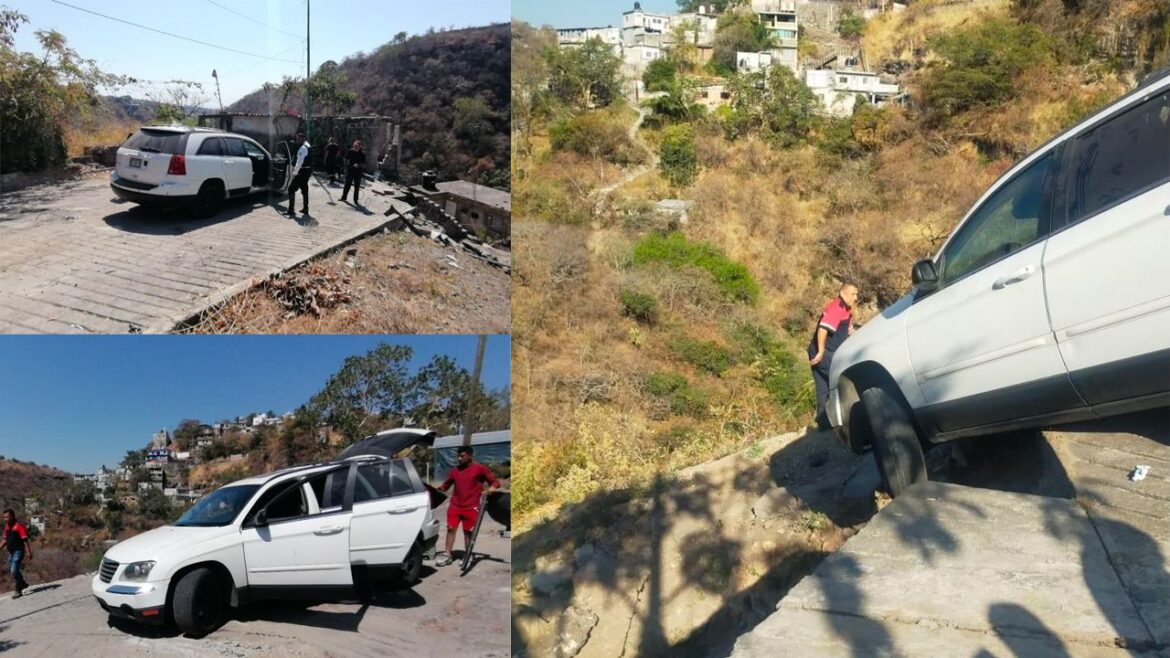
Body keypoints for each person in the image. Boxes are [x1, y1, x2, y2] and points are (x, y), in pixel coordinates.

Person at [434, 446, 500, 567]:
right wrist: (433, 491)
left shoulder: (480, 469)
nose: (459, 459)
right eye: (458, 456)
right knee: (450, 529)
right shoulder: (455, 471)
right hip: (455, 506)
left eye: (462, 456)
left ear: (470, 456)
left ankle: (467, 555)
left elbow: (495, 482)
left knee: (468, 532)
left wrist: (491, 489)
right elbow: (445, 486)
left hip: (471, 506)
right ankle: (447, 554)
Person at [808, 282, 860, 429]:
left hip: (818, 350)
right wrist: (821, 351)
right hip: (824, 352)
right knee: (841, 381)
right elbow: (823, 328)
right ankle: (849, 420)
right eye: (853, 294)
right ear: (843, 293)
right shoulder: (837, 308)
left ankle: (824, 423)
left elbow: (847, 330)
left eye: (856, 294)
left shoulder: (845, 309)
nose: (855, 297)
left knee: (823, 387)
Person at [1, 509, 32, 598]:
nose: (5, 519)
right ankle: (22, 583)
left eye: (7, 517)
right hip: (11, 552)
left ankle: (18, 590)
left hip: (19, 551)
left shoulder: (19, 526)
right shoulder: (7, 526)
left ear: (12, 516)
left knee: (14, 570)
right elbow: (5, 539)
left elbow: (25, 540)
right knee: (14, 571)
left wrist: (28, 551)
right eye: (4, 517)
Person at [286, 132, 312, 217]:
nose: (296, 140)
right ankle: (305, 208)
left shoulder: (303, 148)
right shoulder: (308, 146)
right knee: (304, 188)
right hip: (307, 171)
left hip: (302, 171)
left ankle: (291, 210)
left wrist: (295, 173)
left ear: (302, 139)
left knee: (291, 189)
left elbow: (299, 162)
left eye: (298, 139)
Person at [340, 139, 366, 206]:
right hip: (350, 170)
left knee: (356, 186)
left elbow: (364, 164)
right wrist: (345, 168)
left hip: (358, 172)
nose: (355, 147)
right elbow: (345, 159)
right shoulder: (350, 151)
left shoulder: (362, 154)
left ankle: (355, 200)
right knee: (347, 185)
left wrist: (358, 165)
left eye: (357, 146)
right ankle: (343, 197)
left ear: (360, 146)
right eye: (354, 146)